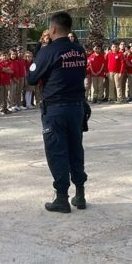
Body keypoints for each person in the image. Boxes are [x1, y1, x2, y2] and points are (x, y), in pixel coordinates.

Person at [25, 11, 88, 213]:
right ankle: (80, 194)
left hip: (56, 109)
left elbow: (31, 77)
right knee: (75, 149)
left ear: (52, 29)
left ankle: (61, 197)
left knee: (57, 151)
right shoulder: (79, 50)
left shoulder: (49, 51)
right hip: (77, 107)